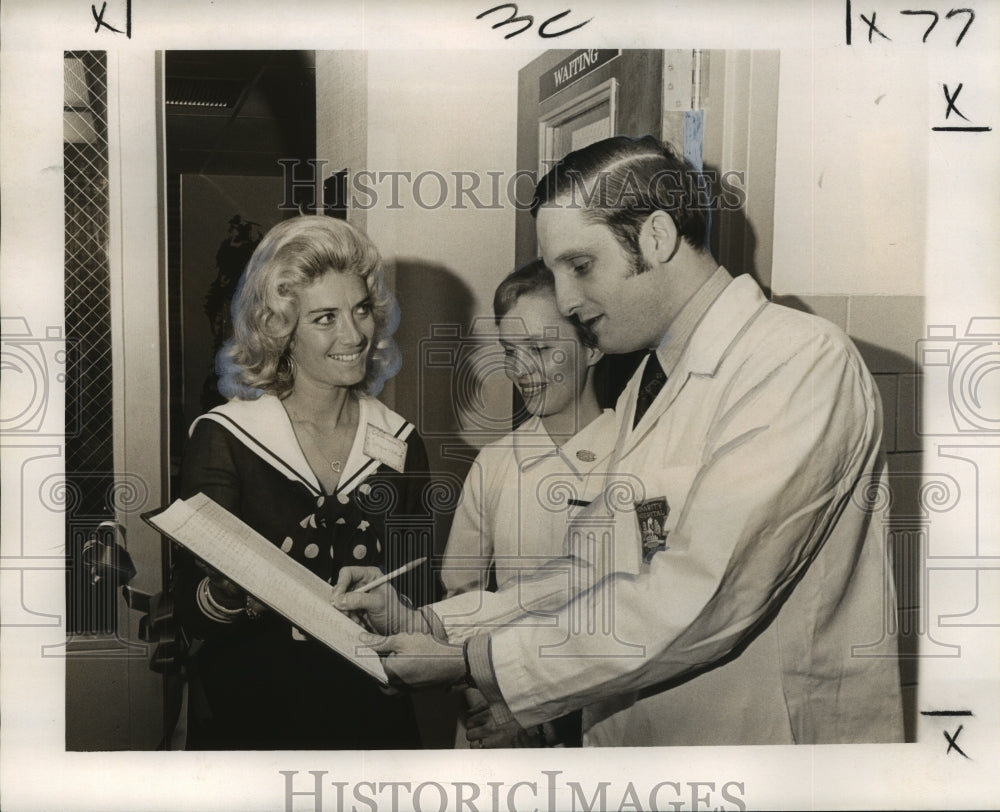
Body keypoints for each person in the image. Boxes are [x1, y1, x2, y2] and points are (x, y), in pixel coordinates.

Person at [334, 134, 904, 748]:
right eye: (556, 272)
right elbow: (592, 570)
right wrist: (434, 625)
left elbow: (705, 594)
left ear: (656, 237)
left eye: (580, 266)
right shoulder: (650, 383)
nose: (567, 300)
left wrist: (476, 663)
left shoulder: (798, 360)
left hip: (764, 747)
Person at [171, 215, 435, 749]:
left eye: (361, 310)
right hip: (254, 723)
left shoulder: (401, 443)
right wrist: (228, 592)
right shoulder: (226, 439)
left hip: (372, 722)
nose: (354, 335)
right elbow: (189, 612)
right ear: (282, 330)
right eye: (324, 318)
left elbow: (420, 592)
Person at [441, 259, 615, 747]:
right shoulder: (495, 465)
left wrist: (546, 717)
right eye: (509, 351)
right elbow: (460, 601)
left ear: (592, 346)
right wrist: (491, 707)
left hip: (602, 723)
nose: (521, 370)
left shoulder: (636, 458)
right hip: (501, 720)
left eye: (539, 348)